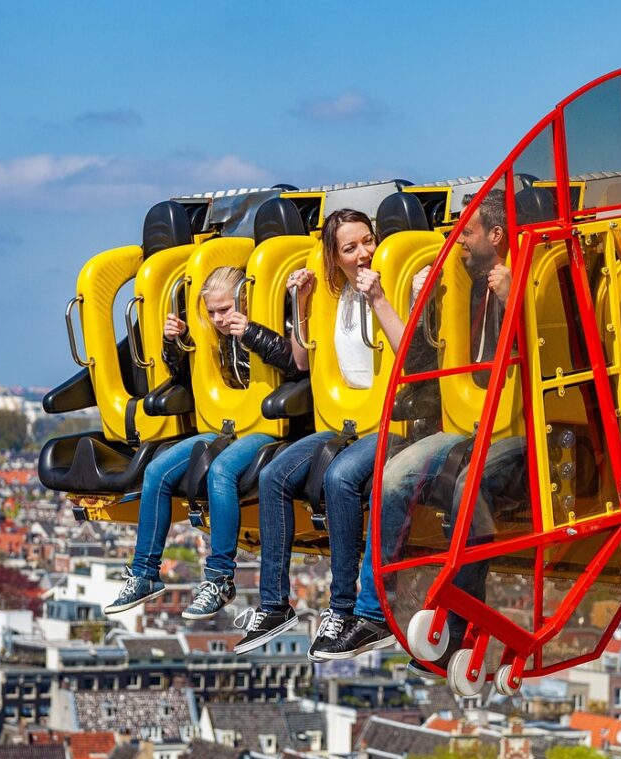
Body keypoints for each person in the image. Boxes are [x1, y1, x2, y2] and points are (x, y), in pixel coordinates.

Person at [356, 188, 528, 670]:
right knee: (394, 477)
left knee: (472, 487)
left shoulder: (529, 278)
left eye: (467, 233)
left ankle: (455, 627)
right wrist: (421, 304)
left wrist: (512, 298)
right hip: (466, 420)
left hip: (521, 425)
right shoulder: (460, 284)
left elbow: (546, 358)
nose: (459, 243)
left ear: (496, 235)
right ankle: (384, 604)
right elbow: (423, 360)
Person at [233, 209, 406, 658]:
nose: (363, 253)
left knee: (340, 478)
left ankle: (344, 609)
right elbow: (305, 362)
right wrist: (301, 306)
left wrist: (380, 299)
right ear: (334, 258)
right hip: (346, 419)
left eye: (367, 240)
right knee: (274, 476)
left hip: (391, 421)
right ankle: (274, 605)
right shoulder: (336, 295)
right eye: (350, 248)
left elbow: (410, 353)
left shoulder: (395, 282)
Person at [105, 266, 302, 619]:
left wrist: (253, 334)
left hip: (264, 423)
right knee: (156, 472)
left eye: (224, 310)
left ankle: (219, 578)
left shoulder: (273, 318)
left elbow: (297, 366)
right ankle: (145, 573)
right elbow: (183, 376)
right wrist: (174, 343)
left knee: (222, 472)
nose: (217, 319)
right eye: (211, 312)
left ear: (242, 301)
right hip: (221, 423)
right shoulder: (208, 334)